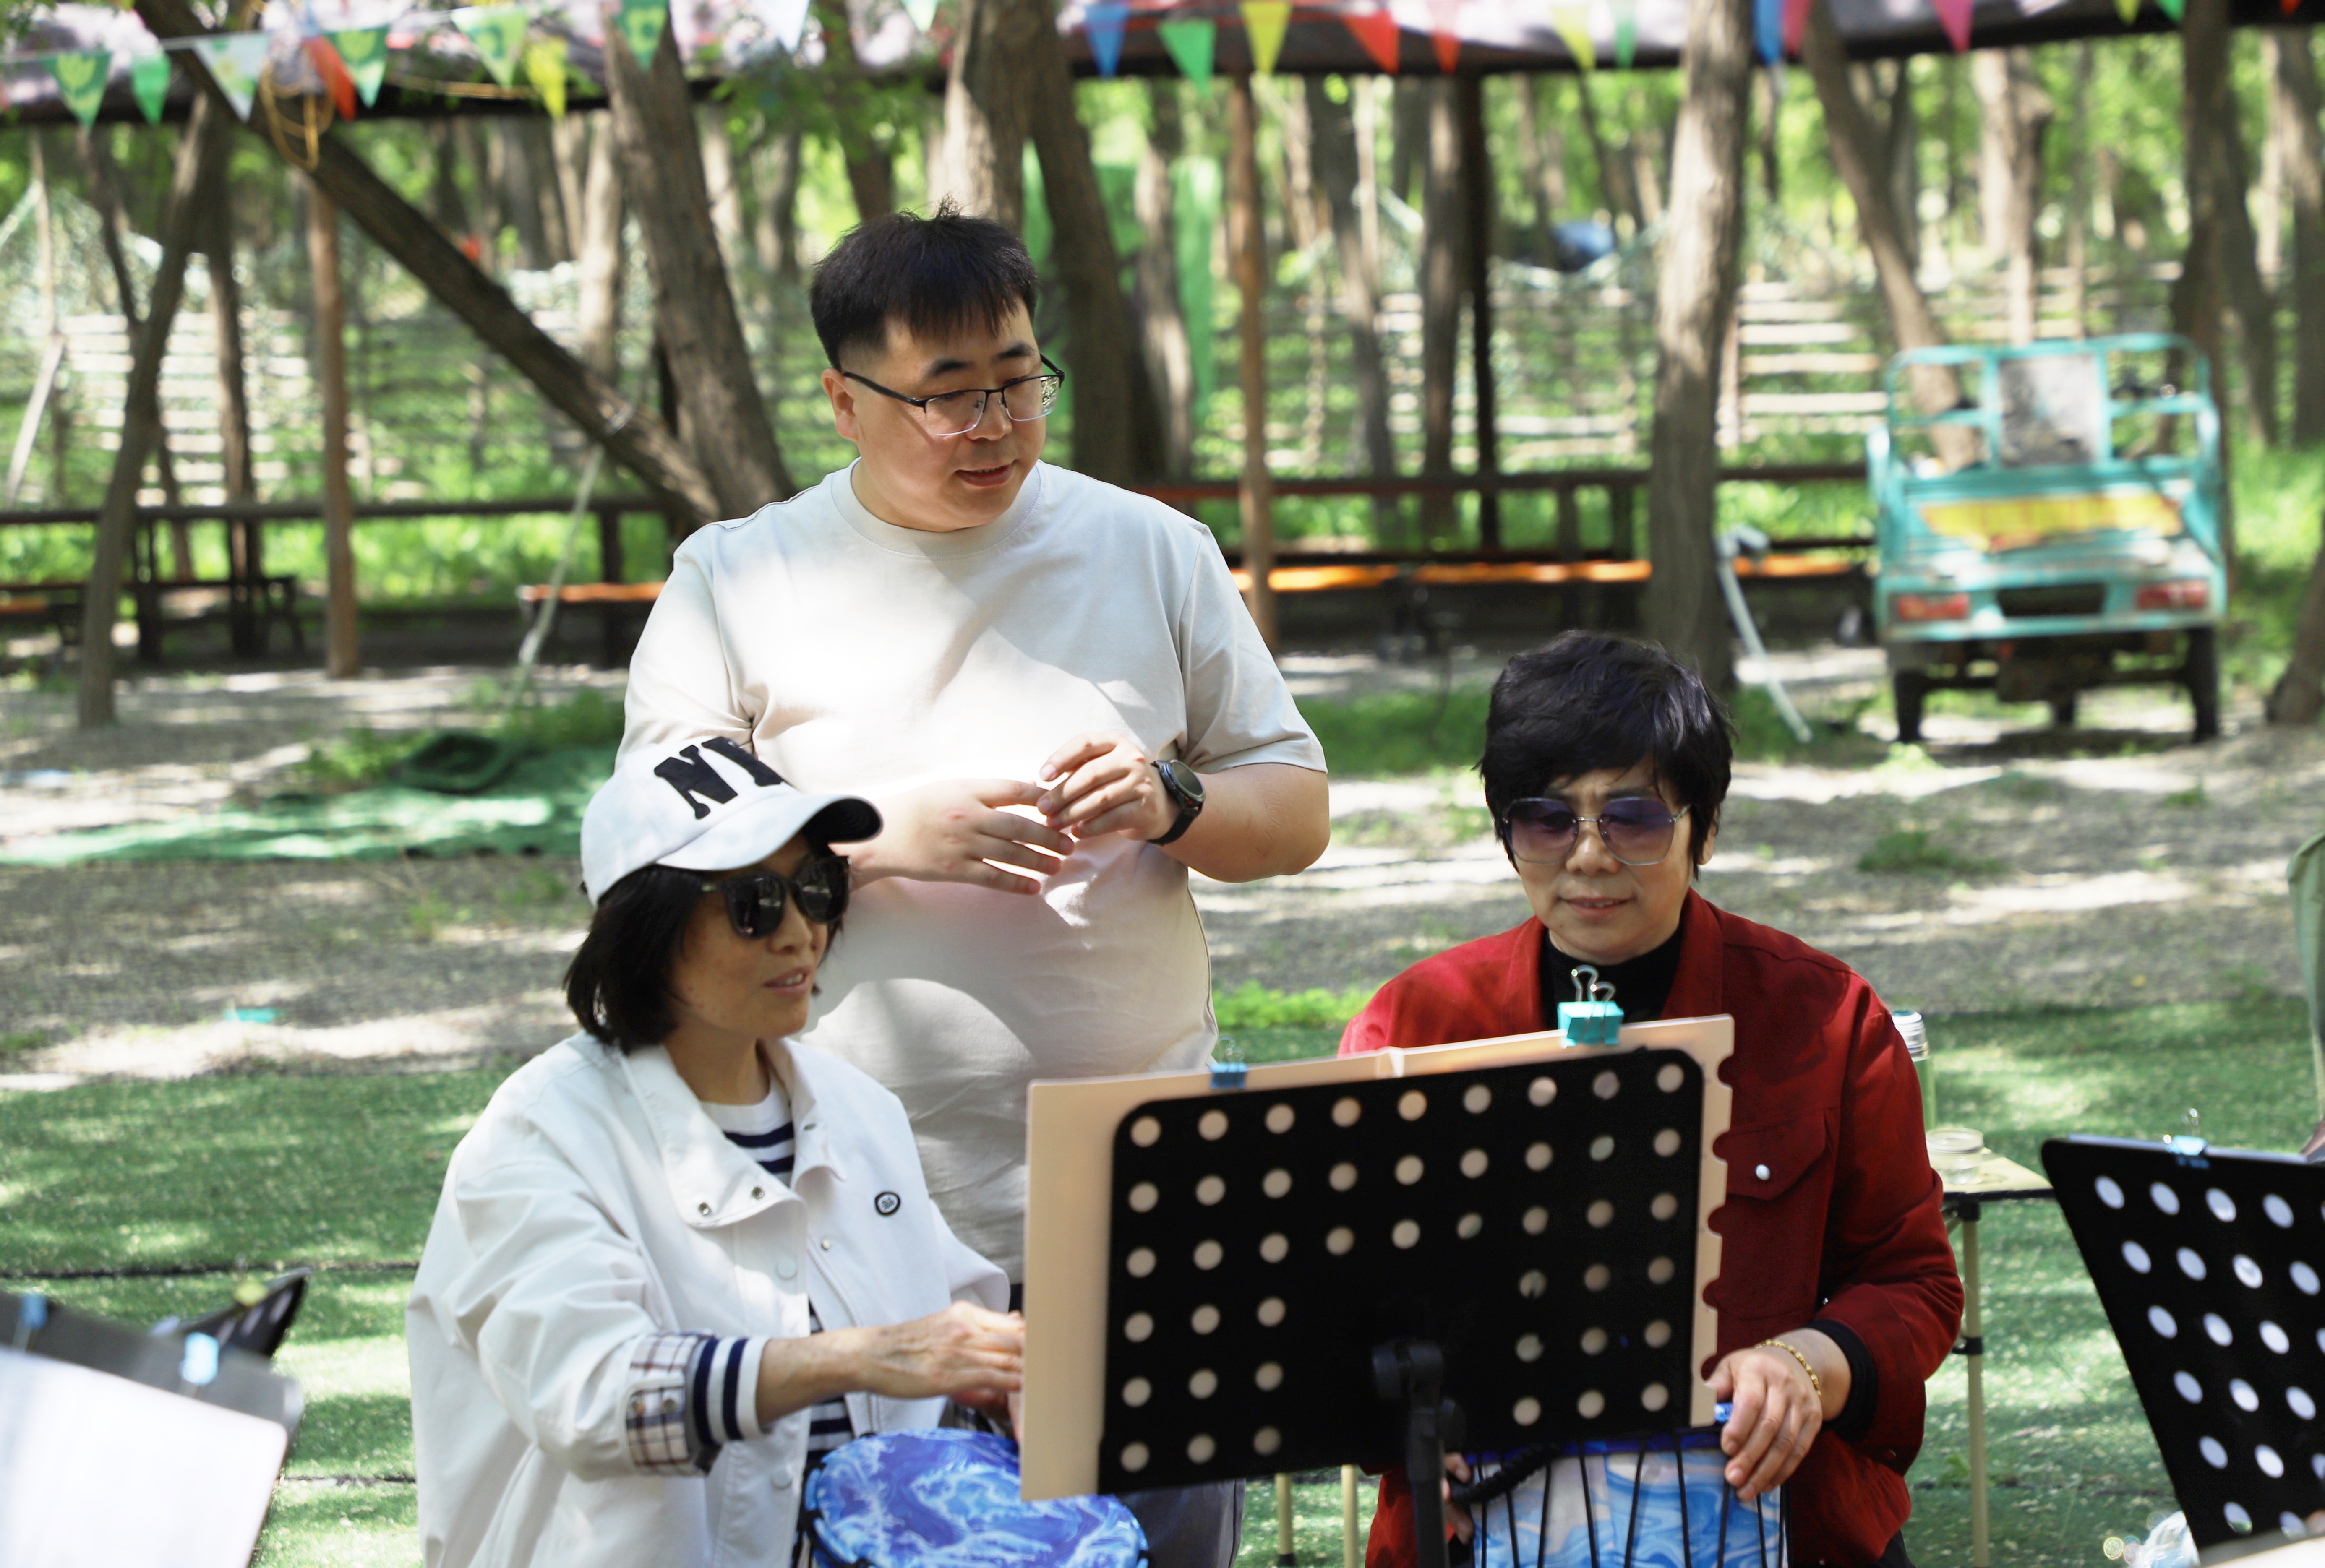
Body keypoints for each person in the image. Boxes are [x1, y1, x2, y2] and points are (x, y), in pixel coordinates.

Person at [619, 206, 1331, 1566]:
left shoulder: (1152, 549)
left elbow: (1293, 810)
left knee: (1160, 1543)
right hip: (842, 1204)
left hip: (1141, 1185)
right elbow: (654, 854)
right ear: (844, 399)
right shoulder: (738, 575)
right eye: (947, 394)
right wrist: (877, 837)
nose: (993, 424)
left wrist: (1173, 801)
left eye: (1017, 380)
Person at [1341, 632, 1962, 1568]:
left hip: (1780, 1521)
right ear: (1505, 832)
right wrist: (1403, 1430)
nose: (1588, 857)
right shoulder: (1413, 1024)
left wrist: (1807, 1364)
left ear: (1703, 831)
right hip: (1476, 1523)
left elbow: (1914, 1281)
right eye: (1546, 820)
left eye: (1632, 818)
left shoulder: (1826, 1014)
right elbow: (1338, 1310)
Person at [408, 739, 1020, 1568]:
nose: (800, 932)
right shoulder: (536, 1136)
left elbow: (949, 1327)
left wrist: (1000, 1375)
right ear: (647, 929)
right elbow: (596, 1398)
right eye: (752, 904)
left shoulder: (860, 1110)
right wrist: (870, 1358)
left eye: (816, 888)